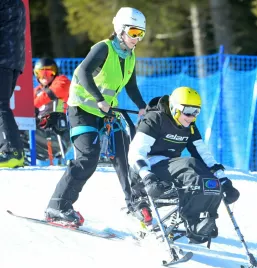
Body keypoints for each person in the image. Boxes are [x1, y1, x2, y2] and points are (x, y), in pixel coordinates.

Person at [44, 7, 148, 226]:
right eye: (134, 32)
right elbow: (83, 72)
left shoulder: (129, 56)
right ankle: (58, 206)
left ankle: (136, 204)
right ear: (120, 30)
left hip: (107, 113)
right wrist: (100, 99)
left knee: (125, 155)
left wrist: (142, 106)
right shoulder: (103, 48)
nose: (137, 39)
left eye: (141, 34)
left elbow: (131, 86)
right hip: (82, 110)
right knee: (88, 158)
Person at [127, 87, 240, 243]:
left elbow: (204, 155)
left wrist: (224, 181)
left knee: (211, 183)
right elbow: (135, 153)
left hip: (170, 168)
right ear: (174, 108)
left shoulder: (190, 127)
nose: (192, 117)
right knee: (190, 165)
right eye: (187, 111)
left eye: (196, 112)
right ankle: (193, 220)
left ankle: (204, 222)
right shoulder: (155, 119)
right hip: (148, 171)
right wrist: (147, 178)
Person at [0, 0, 26, 168]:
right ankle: (11, 149)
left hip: (3, 59)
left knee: (0, 105)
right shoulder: (16, 3)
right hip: (13, 60)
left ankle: (12, 151)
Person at [33, 58, 71, 161]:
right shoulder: (36, 91)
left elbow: (58, 90)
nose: (44, 75)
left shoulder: (62, 81)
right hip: (40, 132)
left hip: (58, 134)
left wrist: (34, 106)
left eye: (49, 72)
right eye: (40, 73)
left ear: (55, 72)